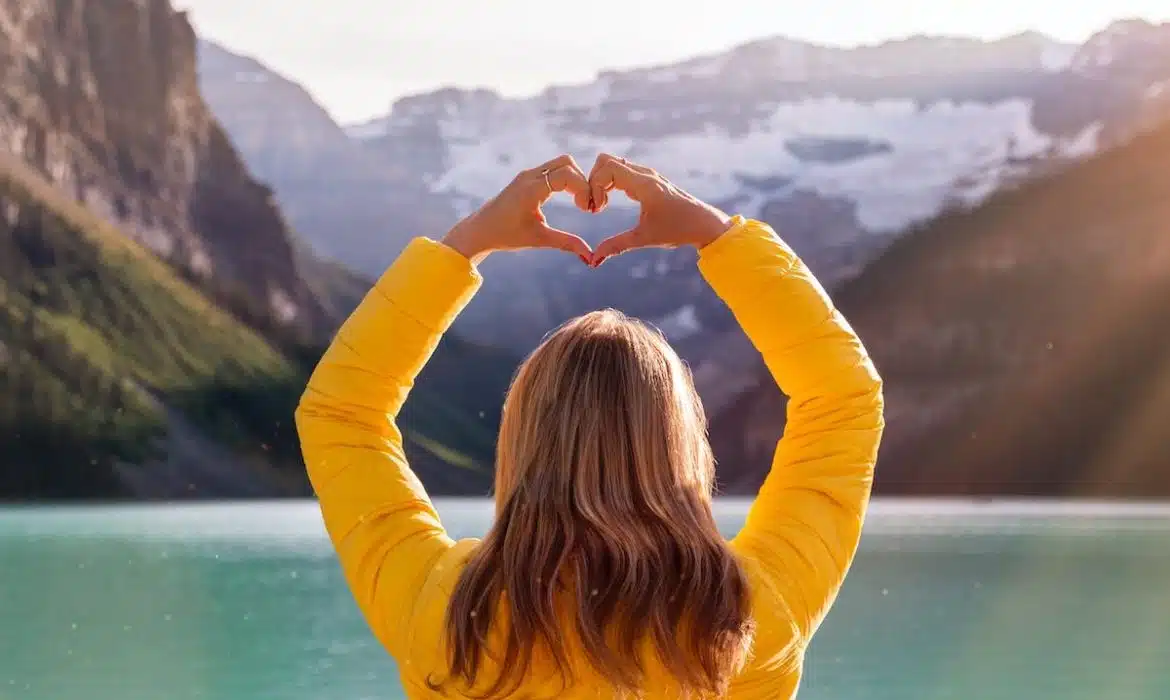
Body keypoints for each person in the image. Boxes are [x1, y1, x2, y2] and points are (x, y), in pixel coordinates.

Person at [294, 153, 885, 699]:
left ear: (524, 439)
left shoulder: (446, 615)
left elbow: (343, 412)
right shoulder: (751, 619)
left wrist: (467, 244)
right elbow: (842, 399)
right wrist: (719, 236)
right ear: (680, 444)